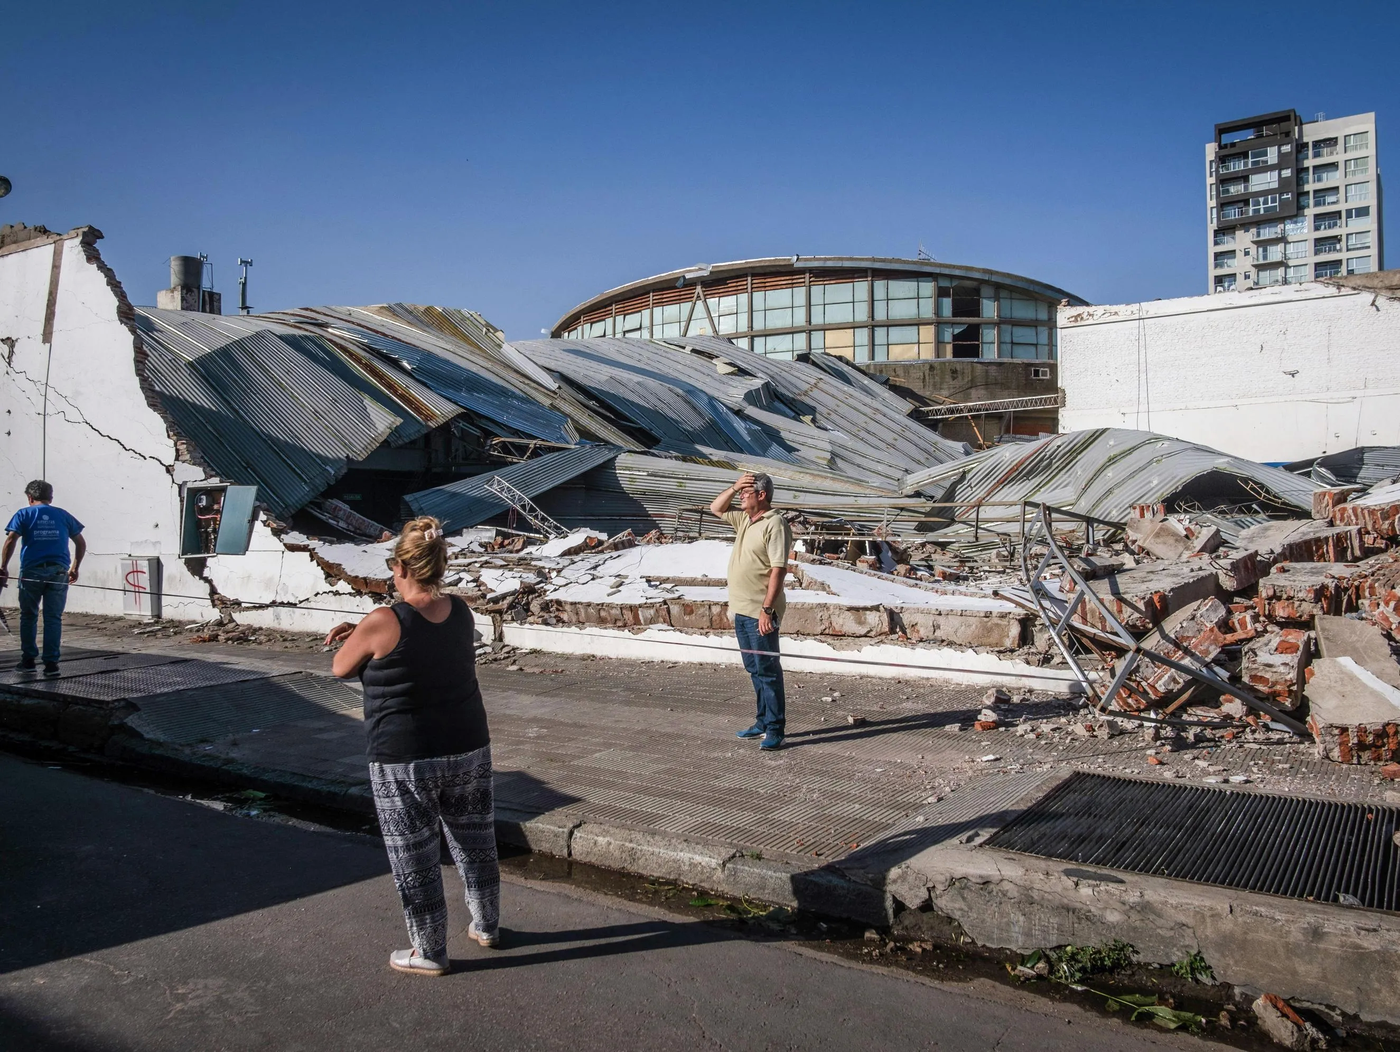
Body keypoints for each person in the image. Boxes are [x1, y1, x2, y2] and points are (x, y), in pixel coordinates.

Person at [325, 516, 500, 977]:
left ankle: (429, 951)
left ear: (401, 568)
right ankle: (487, 925)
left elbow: (341, 668)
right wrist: (365, 629)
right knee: (475, 841)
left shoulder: (383, 619)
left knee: (415, 856)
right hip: (468, 744)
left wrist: (358, 632)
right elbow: (425, 645)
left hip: (404, 756)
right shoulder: (461, 610)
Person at [709, 472, 793, 751]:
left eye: (747, 491)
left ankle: (775, 728)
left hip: (761, 611)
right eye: (741, 492)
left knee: (768, 670)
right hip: (742, 610)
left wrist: (767, 610)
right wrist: (734, 486)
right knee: (754, 669)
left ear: (762, 495)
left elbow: (778, 569)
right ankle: (761, 720)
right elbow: (716, 508)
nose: (742, 496)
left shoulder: (775, 523)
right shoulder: (745, 519)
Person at [1, 480, 85, 676]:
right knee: (53, 617)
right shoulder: (63, 515)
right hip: (58, 572)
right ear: (51, 497)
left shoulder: (24, 514)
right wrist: (74, 568)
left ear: (29, 497)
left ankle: (29, 660)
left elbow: (11, 540)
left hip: (32, 573)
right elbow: (80, 542)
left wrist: (3, 567)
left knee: (28, 615)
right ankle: (51, 665)